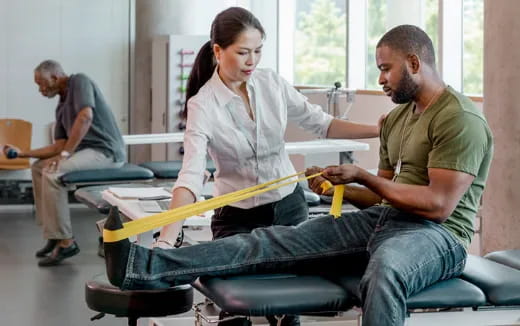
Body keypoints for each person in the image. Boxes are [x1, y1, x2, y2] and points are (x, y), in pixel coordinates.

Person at [104, 24, 493, 326]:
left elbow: (439, 207)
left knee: (385, 270)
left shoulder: (459, 118)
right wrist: (336, 187)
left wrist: (362, 175)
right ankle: (143, 267)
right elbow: (381, 197)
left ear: (413, 63)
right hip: (387, 220)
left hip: (439, 237)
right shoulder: (397, 119)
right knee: (270, 241)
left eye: (385, 69)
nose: (380, 80)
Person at [2, 60, 126, 267]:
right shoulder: (61, 106)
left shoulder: (79, 81)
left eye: (41, 84)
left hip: (106, 152)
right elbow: (58, 146)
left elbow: (85, 117)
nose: (40, 90)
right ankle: (54, 235)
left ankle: (67, 242)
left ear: (55, 77)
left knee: (54, 173)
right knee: (39, 168)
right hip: (85, 152)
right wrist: (22, 153)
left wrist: (66, 154)